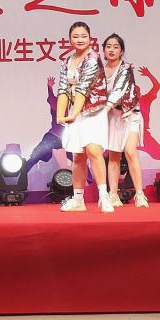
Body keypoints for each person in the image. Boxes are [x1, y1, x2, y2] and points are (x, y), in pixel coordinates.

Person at [56, 21, 114, 213]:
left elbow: (82, 89)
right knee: (78, 156)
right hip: (77, 113)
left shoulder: (93, 59)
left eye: (83, 36)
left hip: (93, 111)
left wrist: (72, 114)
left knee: (93, 150)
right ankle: (78, 200)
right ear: (69, 39)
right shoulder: (67, 61)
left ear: (90, 38)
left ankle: (104, 197)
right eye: (75, 36)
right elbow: (63, 89)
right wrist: (60, 115)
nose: (80, 40)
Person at [101, 33, 148, 209]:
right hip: (112, 116)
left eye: (116, 47)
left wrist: (105, 109)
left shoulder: (126, 68)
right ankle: (113, 194)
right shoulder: (100, 71)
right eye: (108, 47)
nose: (112, 50)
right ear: (104, 50)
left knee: (130, 152)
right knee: (113, 155)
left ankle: (140, 194)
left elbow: (119, 91)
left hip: (130, 115)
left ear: (121, 51)